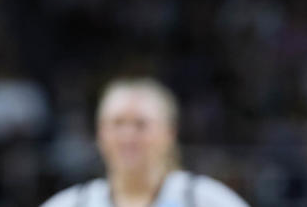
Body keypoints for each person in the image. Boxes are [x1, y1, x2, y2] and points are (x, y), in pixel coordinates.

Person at [42, 78, 249, 207]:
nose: (127, 136)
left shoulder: (204, 199)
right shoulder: (74, 202)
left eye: (141, 124)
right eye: (117, 123)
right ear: (100, 133)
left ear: (170, 133)